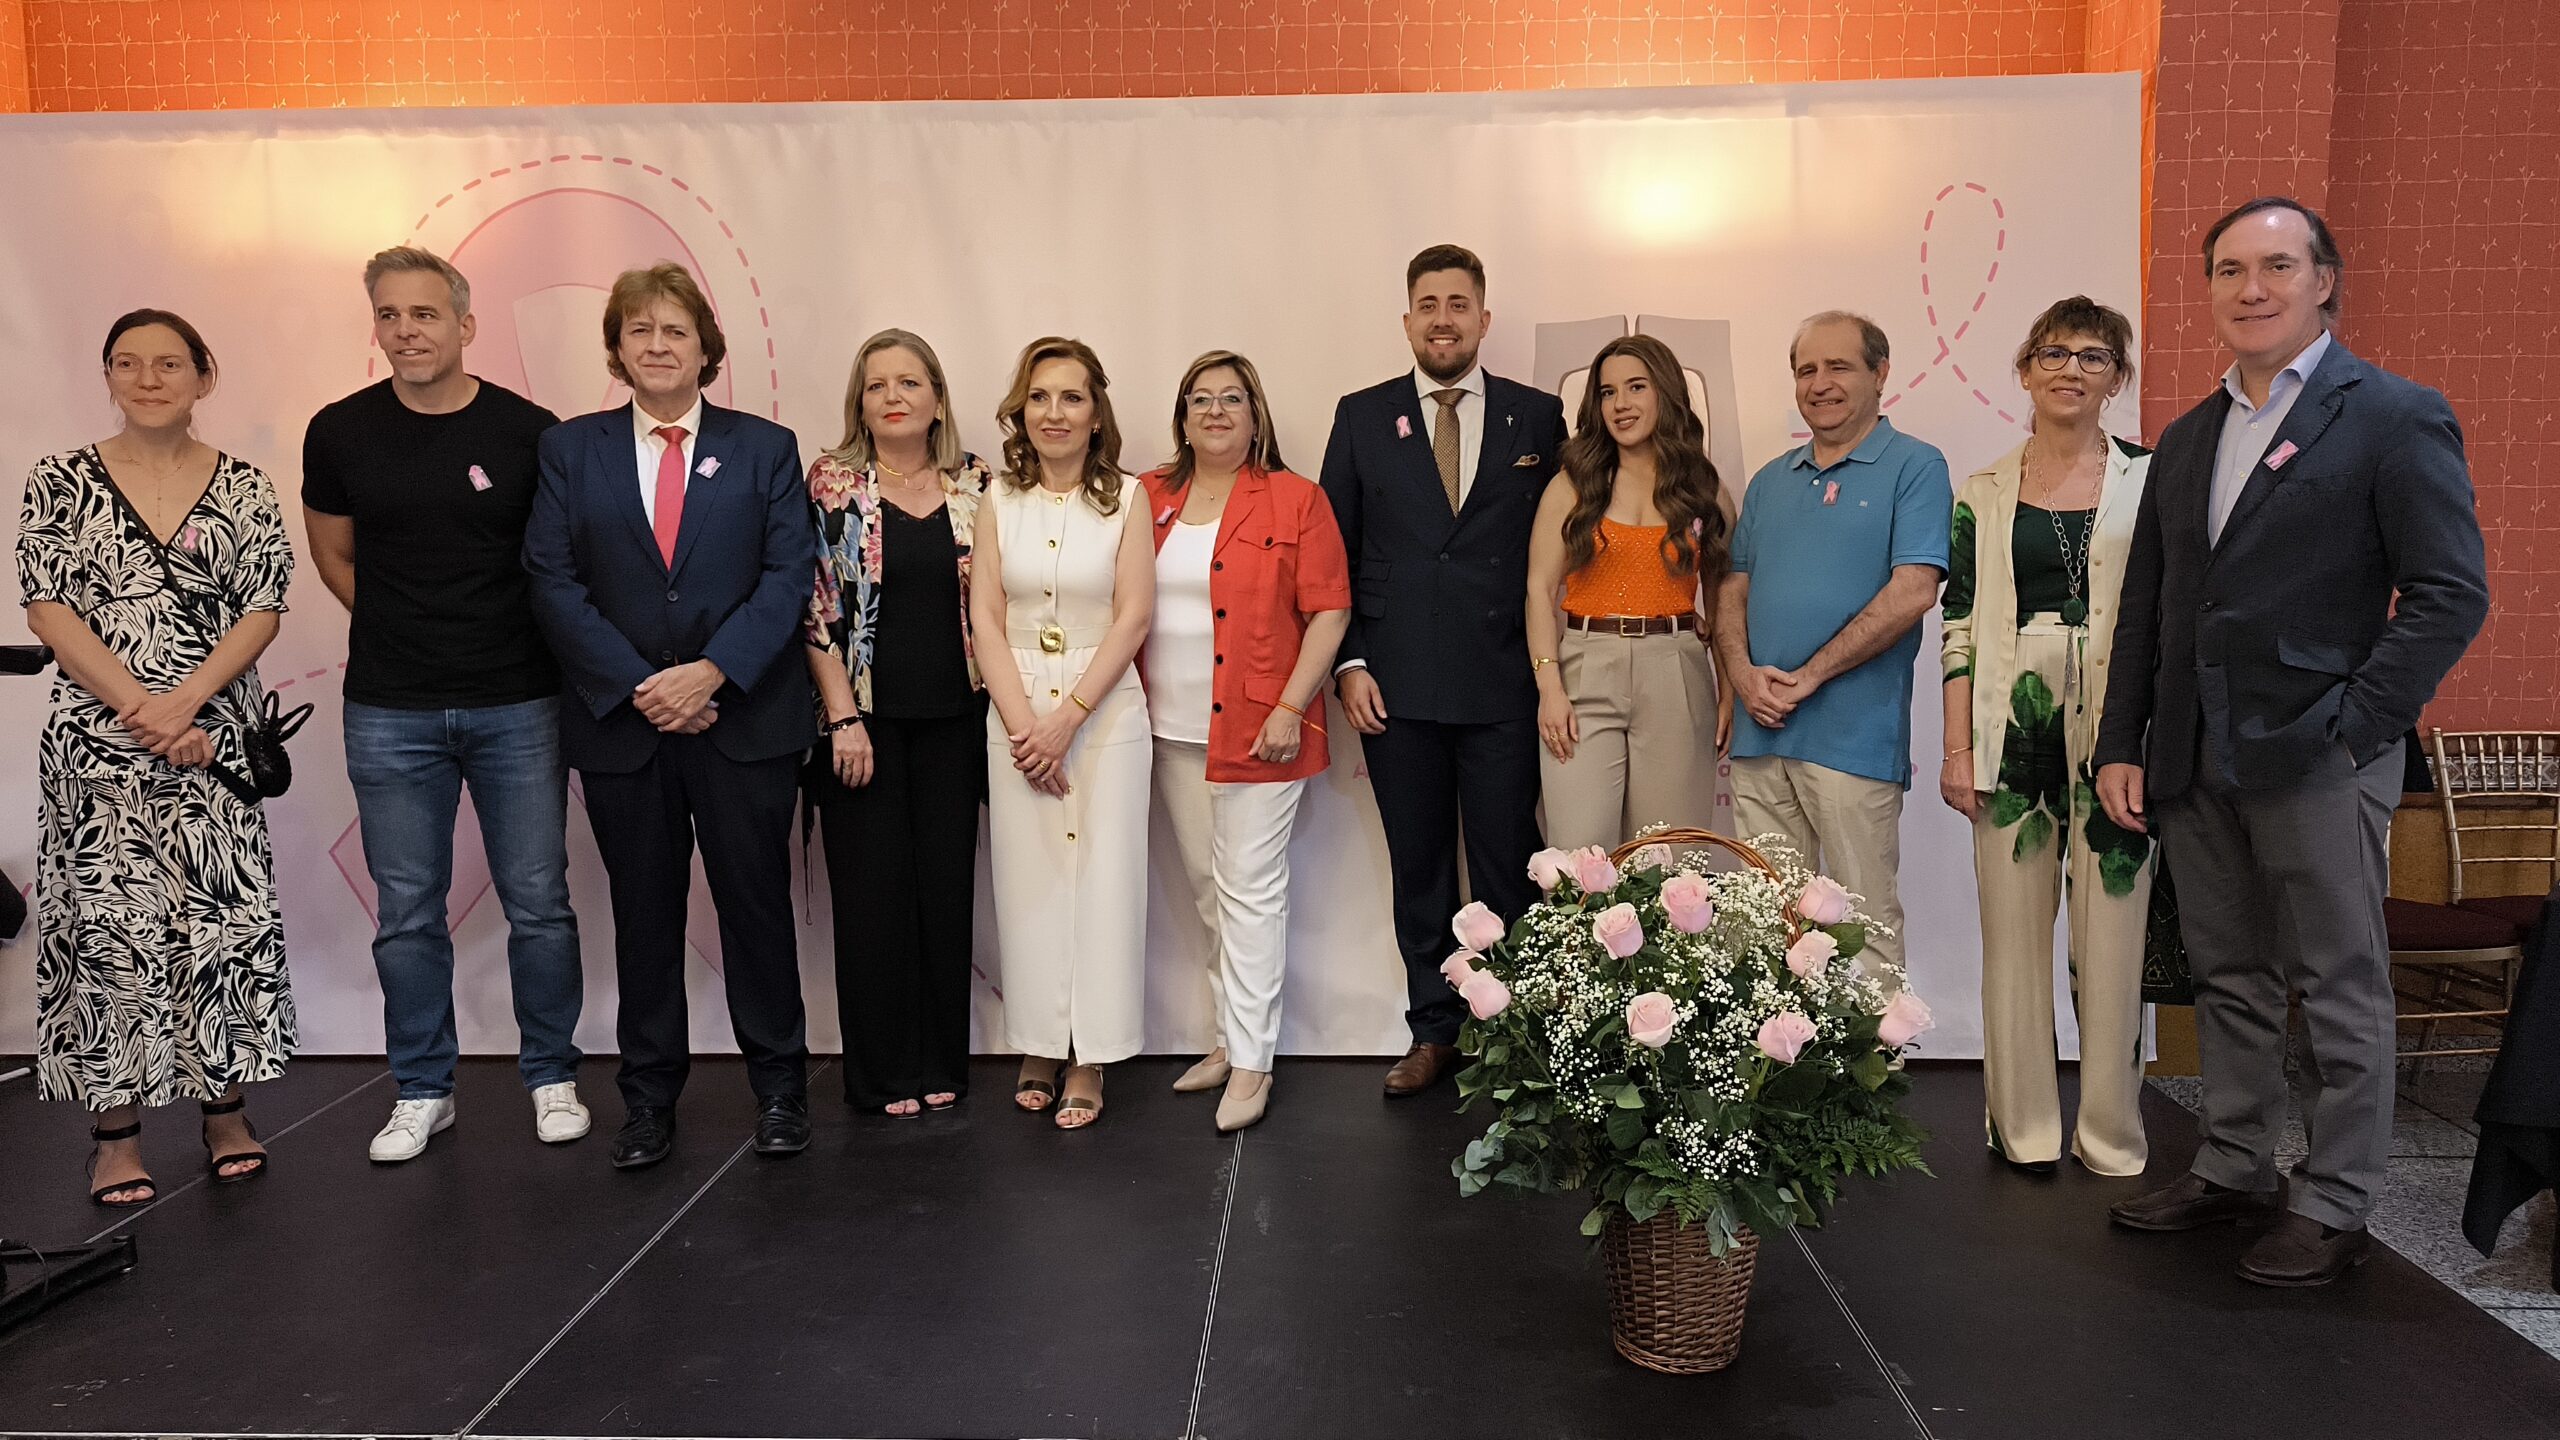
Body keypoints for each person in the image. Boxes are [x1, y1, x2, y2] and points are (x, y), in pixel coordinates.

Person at [2097, 197, 2489, 1284]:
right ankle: (2232, 1166)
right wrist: (2122, 741)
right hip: (2193, 755)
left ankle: (2334, 1200)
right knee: (2229, 973)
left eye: (2276, 265)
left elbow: (2450, 594)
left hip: (2318, 754)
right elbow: (2149, 607)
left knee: (2339, 983)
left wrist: (2354, 730)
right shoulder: (2188, 437)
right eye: (2229, 270)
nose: (2252, 288)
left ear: (2324, 281)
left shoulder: (2393, 415)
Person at [523, 263, 818, 1170]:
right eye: (640, 330)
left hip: (742, 722)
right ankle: (648, 1101)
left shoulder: (765, 447)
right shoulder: (570, 450)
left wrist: (711, 673)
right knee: (643, 919)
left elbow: (788, 577)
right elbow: (551, 578)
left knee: (755, 910)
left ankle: (780, 1091)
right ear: (617, 347)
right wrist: (642, 684)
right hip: (626, 726)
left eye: (675, 330)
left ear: (705, 348)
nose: (657, 345)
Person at [302, 246, 589, 1163]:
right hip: (391, 708)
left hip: (518, 701)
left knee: (538, 902)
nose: (405, 331)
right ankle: (423, 1089)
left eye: (423, 314)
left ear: (464, 325)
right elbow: (334, 556)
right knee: (407, 912)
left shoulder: (530, 432)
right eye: (389, 315)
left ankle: (552, 1076)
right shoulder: (339, 432)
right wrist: (402, 627)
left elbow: (559, 562)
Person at [19, 310, 297, 1204]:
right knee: (110, 931)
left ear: (202, 377)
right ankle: (116, 1136)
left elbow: (263, 609)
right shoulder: (59, 479)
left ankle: (227, 1115)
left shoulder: (245, 485)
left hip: (213, 740)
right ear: (107, 376)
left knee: (218, 924)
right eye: (128, 364)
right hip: (98, 744)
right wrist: (143, 708)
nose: (148, 379)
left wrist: (185, 703)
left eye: (169, 364)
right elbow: (48, 609)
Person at [1320, 243, 1567, 1096]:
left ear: (1484, 319)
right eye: (1428, 304)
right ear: (1407, 320)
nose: (1443, 319)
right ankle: (1434, 1030)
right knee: (1420, 866)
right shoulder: (1362, 415)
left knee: (1508, 866)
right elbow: (1334, 554)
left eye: (1459, 304)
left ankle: (1512, 1039)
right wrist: (1349, 660)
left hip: (1505, 681)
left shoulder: (1538, 417)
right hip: (1394, 685)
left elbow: (1565, 547)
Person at [1939, 296, 2154, 1178]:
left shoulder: (2151, 479)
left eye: (2094, 356)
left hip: (2121, 720)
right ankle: (2022, 1127)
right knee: (2013, 939)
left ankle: (2110, 1133)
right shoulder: (1982, 490)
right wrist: (1959, 750)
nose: (2072, 369)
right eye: (2054, 353)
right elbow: (1957, 625)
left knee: (2115, 937)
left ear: (2117, 378)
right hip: (2008, 721)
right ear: (2025, 370)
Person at [1141, 351, 1351, 1133]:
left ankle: (1254, 1062)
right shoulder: (1147, 496)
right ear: (1182, 416)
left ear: (1256, 415)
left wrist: (1292, 706)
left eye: (1233, 399)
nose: (1217, 412)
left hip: (1262, 729)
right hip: (1169, 729)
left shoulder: (1297, 500)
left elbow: (1329, 609)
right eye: (1201, 399)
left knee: (1250, 893)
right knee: (1208, 889)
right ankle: (1230, 1039)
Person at [1713, 312, 1949, 989]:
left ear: (1880, 373)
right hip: (1761, 734)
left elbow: (1913, 591)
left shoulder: (1915, 465)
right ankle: (1778, 1055)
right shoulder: (1769, 481)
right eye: (1806, 370)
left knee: (1862, 926)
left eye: (1839, 367)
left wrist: (1811, 675)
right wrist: (1741, 674)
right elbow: (1732, 589)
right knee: (1763, 925)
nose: (1820, 384)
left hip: (1854, 740)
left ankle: (1875, 1058)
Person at [805, 329, 991, 1118]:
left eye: (910, 382)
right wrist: (842, 716)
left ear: (937, 399)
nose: (893, 396)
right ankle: (881, 1074)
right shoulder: (832, 483)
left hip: (958, 721)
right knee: (872, 903)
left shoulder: (978, 482)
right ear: (860, 402)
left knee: (945, 897)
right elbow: (815, 608)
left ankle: (941, 1060)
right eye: (877, 384)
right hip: (863, 727)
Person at [972, 337, 1154, 1130]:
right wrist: (1026, 729)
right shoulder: (999, 499)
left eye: (1071, 397)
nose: (1055, 412)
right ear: (1022, 411)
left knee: (1105, 885)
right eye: (1039, 397)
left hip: (1104, 710)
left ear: (1096, 413)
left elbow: (1133, 616)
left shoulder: (1129, 498)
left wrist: (1067, 719)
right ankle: (1041, 1043)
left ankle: (1091, 1055)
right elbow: (985, 617)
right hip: (1016, 710)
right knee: (1031, 882)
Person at [1524, 334, 1731, 849]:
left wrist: (1729, 688)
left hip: (1677, 669)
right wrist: (1550, 688)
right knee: (1579, 860)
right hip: (1585, 668)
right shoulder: (1572, 484)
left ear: (1666, 392)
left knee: (1671, 858)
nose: (1620, 404)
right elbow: (1538, 588)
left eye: (1636, 387)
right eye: (1607, 392)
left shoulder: (1704, 489)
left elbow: (1723, 597)